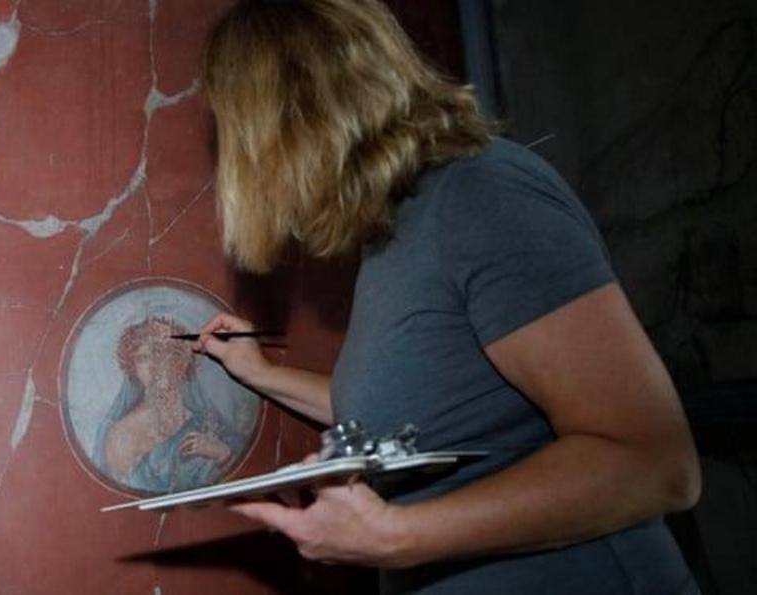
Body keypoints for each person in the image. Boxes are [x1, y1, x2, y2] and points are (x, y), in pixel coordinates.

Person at [192, 1, 702, 593]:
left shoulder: (480, 196)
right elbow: (414, 413)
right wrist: (259, 372)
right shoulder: (394, 232)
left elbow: (654, 463)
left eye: (234, 123)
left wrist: (392, 536)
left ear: (284, 116)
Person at [95, 317, 235, 493]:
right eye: (143, 358)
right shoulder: (121, 435)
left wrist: (222, 454)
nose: (154, 366)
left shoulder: (208, 422)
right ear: (133, 368)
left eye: (163, 353)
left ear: (181, 362)